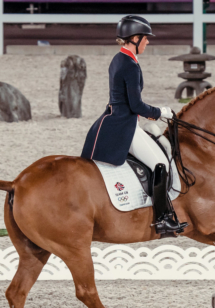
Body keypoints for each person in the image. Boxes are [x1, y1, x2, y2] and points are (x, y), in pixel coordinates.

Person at [80, 15, 188, 236]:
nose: (148, 42)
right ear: (135, 38)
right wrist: (160, 112)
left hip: (118, 119)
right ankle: (163, 219)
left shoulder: (120, 59)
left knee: (161, 147)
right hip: (124, 125)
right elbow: (136, 104)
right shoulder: (129, 65)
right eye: (145, 38)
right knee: (161, 164)